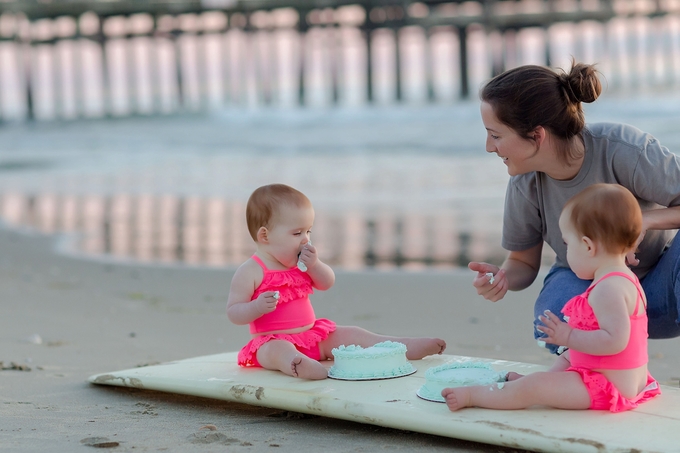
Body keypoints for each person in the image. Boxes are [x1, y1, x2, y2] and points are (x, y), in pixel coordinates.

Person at [469, 60, 680, 355]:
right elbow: (523, 263)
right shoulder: (524, 184)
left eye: (496, 135)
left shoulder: (625, 150)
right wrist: (503, 278)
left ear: (537, 136)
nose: (489, 147)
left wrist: (642, 221)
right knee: (552, 317)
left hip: (659, 296)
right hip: (589, 296)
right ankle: (589, 380)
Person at [444, 184, 661, 412]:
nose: (565, 251)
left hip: (608, 386)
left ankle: (473, 396)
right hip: (615, 376)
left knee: (535, 387)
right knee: (568, 356)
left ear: (587, 246)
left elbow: (616, 340)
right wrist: (571, 342)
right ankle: (543, 382)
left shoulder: (609, 289)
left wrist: (569, 335)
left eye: (568, 244)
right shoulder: (623, 278)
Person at [227, 183, 446, 380]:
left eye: (308, 231)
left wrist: (315, 265)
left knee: (352, 333)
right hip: (271, 341)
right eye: (296, 233)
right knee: (276, 352)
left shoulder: (300, 263)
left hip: (314, 337)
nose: (306, 239)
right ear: (265, 236)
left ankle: (399, 346)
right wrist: (256, 307)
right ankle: (297, 365)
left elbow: (326, 283)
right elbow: (234, 312)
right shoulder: (251, 271)